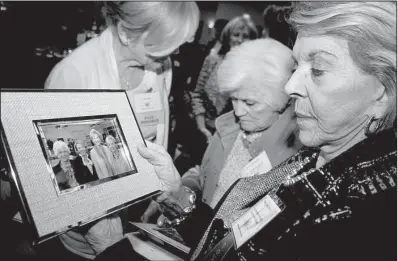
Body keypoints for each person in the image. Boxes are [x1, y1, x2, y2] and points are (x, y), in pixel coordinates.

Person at [132, 2, 396, 260]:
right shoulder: (310, 159)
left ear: (382, 92)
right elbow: (230, 242)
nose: (291, 86)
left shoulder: (364, 216)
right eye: (296, 67)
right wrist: (177, 192)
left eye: (317, 70)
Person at [141, 39, 302, 245]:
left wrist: (184, 209)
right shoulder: (229, 127)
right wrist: (179, 195)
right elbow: (205, 175)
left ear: (279, 100)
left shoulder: (293, 153)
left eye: (249, 102)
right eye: (234, 98)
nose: (238, 111)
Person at [45, 2, 200, 150]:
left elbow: (159, 135)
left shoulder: (162, 66)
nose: (175, 52)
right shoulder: (72, 74)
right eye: (164, 42)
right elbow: (55, 147)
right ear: (124, 33)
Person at [191, 15, 259, 143]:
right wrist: (202, 127)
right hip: (201, 128)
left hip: (229, 136)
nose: (239, 40)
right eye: (236, 35)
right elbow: (197, 95)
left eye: (245, 37)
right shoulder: (212, 61)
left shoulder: (252, 72)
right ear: (228, 37)